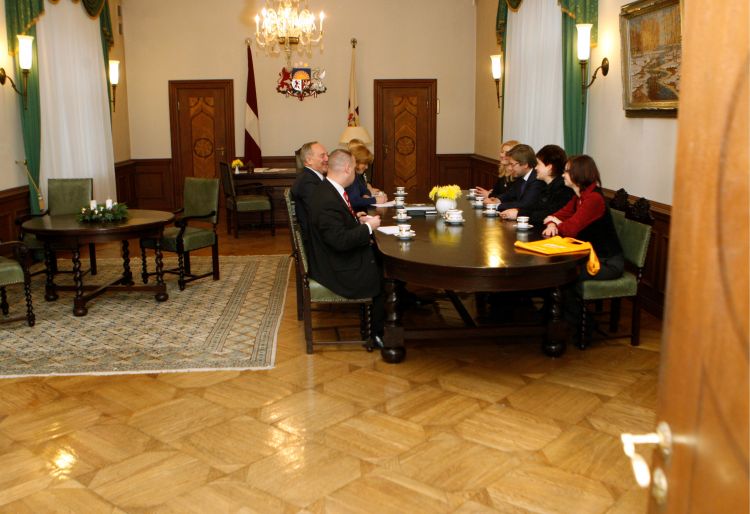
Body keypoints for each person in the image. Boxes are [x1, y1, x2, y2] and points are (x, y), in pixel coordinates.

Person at [307, 149, 385, 345]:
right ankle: (378, 333)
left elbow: (337, 226)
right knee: (387, 272)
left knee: (382, 257)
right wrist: (369, 227)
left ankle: (382, 324)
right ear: (348, 169)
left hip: (332, 256)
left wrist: (357, 221)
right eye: (354, 167)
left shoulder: (328, 190)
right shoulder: (327, 199)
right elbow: (340, 241)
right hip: (335, 267)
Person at [542, 155, 624, 281]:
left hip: (605, 262)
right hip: (588, 255)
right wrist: (553, 223)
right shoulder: (579, 196)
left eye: (566, 171)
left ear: (578, 174)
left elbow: (570, 230)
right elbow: (555, 216)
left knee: (560, 272)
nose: (563, 175)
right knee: (553, 267)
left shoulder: (594, 198)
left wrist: (556, 222)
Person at [500, 144, 573, 226]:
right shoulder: (546, 185)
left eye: (538, 164)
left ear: (549, 167)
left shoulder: (563, 189)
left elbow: (548, 214)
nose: (535, 168)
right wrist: (518, 212)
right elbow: (535, 207)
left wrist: (519, 214)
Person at [484, 144, 545, 212]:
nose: (510, 168)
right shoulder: (521, 175)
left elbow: (524, 204)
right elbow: (510, 193)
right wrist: (498, 200)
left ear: (525, 165)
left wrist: (496, 205)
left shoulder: (536, 180)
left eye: (512, 164)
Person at [290, 141, 328, 245]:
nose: (327, 159)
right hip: (316, 240)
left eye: (327, 155)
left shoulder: (312, 177)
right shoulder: (307, 181)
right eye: (322, 156)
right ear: (309, 160)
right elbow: (320, 212)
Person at [345, 144, 388, 210]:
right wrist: (375, 200)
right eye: (364, 163)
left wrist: (366, 195)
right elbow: (353, 201)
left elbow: (365, 190)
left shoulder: (358, 175)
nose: (367, 167)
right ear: (356, 161)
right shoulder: (349, 177)